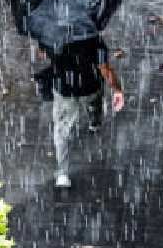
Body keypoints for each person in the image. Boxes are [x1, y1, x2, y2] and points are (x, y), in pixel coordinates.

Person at [43, 35, 124, 188]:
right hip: (90, 86)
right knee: (95, 103)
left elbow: (43, 54)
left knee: (62, 131)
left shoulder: (50, 35)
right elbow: (105, 69)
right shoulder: (93, 39)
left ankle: (62, 174)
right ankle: (95, 122)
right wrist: (117, 89)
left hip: (64, 90)